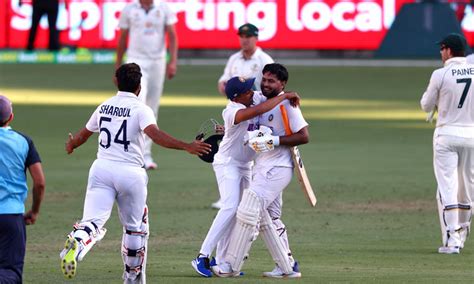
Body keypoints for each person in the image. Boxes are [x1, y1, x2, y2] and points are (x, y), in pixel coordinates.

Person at [59, 63, 210, 282]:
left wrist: (72, 144)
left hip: (101, 169)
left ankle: (78, 240)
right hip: (130, 174)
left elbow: (84, 134)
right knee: (134, 228)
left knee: (92, 220)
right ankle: (132, 277)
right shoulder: (141, 109)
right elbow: (156, 136)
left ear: (115, 81)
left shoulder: (105, 106)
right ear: (139, 87)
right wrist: (187, 146)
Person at [190, 76, 300, 277]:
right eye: (247, 91)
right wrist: (287, 95)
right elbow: (259, 110)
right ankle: (202, 256)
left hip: (247, 165)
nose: (253, 92)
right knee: (231, 206)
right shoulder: (231, 111)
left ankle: (223, 262)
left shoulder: (254, 97)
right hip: (227, 164)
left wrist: (284, 96)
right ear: (236, 97)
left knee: (241, 212)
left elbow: (267, 101)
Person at [420, 33, 474, 254]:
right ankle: (463, 232)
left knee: (448, 187)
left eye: (442, 49)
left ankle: (452, 238)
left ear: (449, 50)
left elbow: (426, 105)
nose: (441, 53)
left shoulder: (440, 74)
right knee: (468, 185)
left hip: (446, 136)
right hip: (472, 136)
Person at [212, 23, 274, 209]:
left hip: (258, 113)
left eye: (249, 36)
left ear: (256, 38)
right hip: (236, 112)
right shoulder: (234, 59)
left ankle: (258, 194)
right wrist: (229, 90)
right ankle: (228, 195)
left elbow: (271, 86)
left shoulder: (264, 59)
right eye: (242, 36)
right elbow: (222, 82)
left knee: (255, 151)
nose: (245, 39)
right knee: (232, 151)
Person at [116, 0, 178, 170]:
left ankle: (146, 154)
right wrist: (118, 65)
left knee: (152, 107)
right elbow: (122, 38)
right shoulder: (130, 9)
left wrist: (172, 61)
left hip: (157, 61)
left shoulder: (163, 7)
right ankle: (131, 152)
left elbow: (172, 35)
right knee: (137, 104)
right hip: (135, 60)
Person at [0, 95, 46, 283]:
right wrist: (34, 211)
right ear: (11, 117)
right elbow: (40, 182)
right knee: (9, 272)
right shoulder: (24, 141)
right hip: (11, 216)